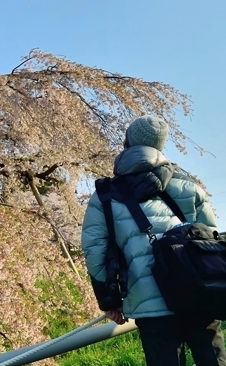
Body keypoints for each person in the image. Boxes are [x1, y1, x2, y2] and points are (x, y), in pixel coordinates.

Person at [81, 115, 226, 366]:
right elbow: (211, 237)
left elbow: (95, 252)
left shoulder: (104, 195)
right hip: (200, 293)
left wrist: (109, 300)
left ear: (127, 143)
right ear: (159, 146)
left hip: (150, 302)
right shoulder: (188, 186)